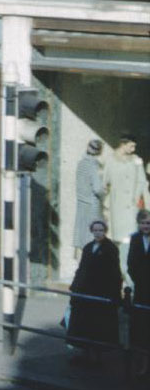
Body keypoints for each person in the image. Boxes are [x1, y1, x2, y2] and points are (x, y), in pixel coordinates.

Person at [66, 220, 122, 365]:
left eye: (101, 230)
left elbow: (115, 273)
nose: (98, 233)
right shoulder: (88, 247)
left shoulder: (111, 248)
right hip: (85, 292)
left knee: (98, 326)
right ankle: (85, 354)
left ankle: (97, 357)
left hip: (101, 293)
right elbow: (81, 269)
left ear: (105, 231)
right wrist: (74, 288)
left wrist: (115, 294)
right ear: (92, 231)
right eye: (95, 230)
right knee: (83, 324)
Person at [105, 134, 148, 244]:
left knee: (131, 236)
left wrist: (136, 196)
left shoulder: (136, 160)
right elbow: (105, 180)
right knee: (117, 236)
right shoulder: (111, 159)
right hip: (117, 203)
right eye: (131, 146)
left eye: (134, 147)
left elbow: (142, 181)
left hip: (131, 203)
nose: (133, 149)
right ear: (123, 144)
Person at [73, 139, 106, 259]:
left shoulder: (81, 163)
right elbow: (97, 189)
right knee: (93, 237)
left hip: (81, 203)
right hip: (92, 205)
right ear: (99, 151)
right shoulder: (94, 166)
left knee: (81, 236)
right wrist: (105, 194)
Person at [128, 209, 150, 376]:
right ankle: (141, 363)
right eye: (143, 223)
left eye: (148, 223)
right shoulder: (135, 239)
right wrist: (139, 281)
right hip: (141, 290)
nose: (146, 226)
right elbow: (131, 263)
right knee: (141, 327)